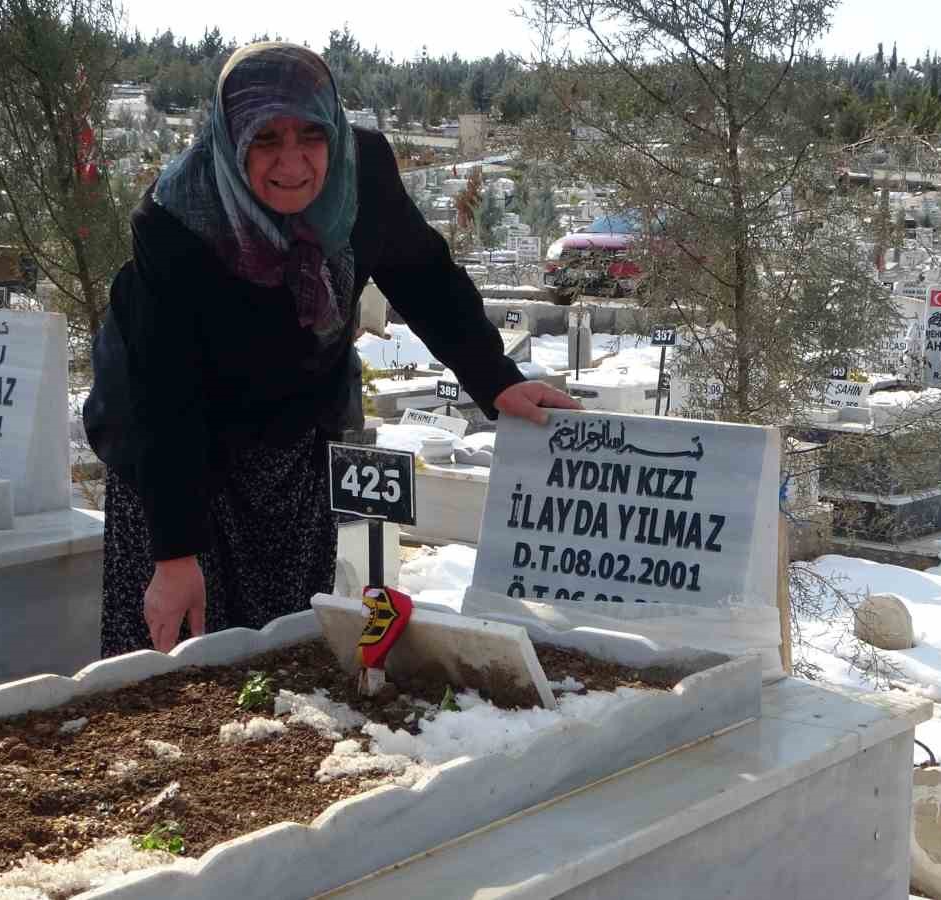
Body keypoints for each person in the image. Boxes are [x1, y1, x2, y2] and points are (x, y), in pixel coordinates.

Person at [84, 42, 577, 656]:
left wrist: (495, 379)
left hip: (288, 440)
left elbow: (424, 277)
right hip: (172, 451)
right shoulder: (177, 221)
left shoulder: (362, 173)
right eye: (266, 138)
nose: (292, 163)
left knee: (285, 646)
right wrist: (175, 552)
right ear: (232, 138)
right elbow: (164, 390)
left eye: (311, 135)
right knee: (179, 653)